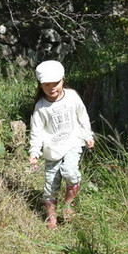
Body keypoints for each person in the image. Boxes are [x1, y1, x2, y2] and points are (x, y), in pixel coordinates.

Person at [28, 60, 95, 229]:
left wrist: (87, 135)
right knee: (50, 185)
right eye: (47, 85)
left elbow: (82, 115)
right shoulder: (41, 107)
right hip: (52, 150)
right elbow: (36, 131)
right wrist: (34, 151)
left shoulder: (71, 96)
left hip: (72, 142)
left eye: (55, 83)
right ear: (40, 85)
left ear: (63, 80)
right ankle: (51, 218)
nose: (52, 88)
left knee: (70, 172)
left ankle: (68, 206)